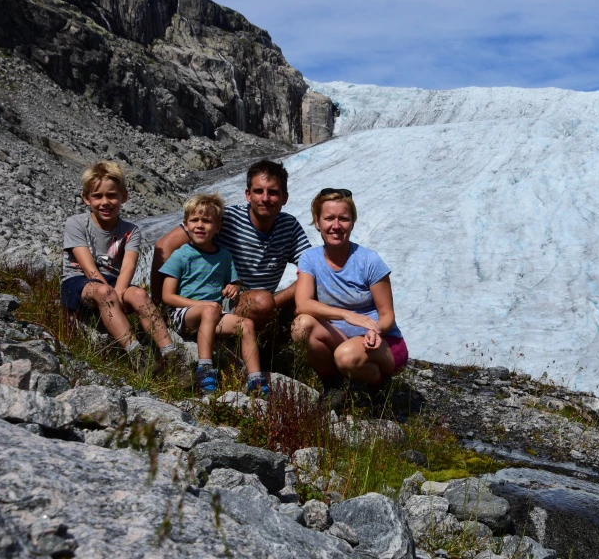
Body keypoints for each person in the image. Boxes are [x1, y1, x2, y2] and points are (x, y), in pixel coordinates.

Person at [151, 160, 310, 328]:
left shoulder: (289, 226)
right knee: (264, 302)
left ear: (284, 197)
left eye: (273, 192)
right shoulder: (227, 219)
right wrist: (158, 308)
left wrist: (274, 302)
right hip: (226, 301)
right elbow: (165, 245)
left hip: (265, 300)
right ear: (248, 195)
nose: (265, 198)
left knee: (308, 302)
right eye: (258, 191)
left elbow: (311, 269)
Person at [292, 188, 408, 409]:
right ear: (317, 222)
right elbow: (302, 304)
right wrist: (347, 315)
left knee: (345, 357)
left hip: (381, 342)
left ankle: (378, 383)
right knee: (301, 325)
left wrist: (376, 330)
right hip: (342, 338)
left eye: (343, 219)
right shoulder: (309, 259)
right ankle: (334, 385)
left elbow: (387, 315)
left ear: (352, 222)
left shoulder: (369, 260)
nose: (336, 226)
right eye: (329, 218)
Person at [61, 161, 176, 370]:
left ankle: (171, 355)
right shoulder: (75, 223)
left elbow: (128, 266)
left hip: (113, 282)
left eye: (112, 195)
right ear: (86, 198)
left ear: (124, 196)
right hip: (77, 281)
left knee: (140, 295)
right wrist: (114, 295)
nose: (105, 202)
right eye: (97, 196)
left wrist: (121, 292)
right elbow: (89, 268)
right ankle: (136, 353)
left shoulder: (131, 230)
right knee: (105, 292)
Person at [159, 193, 267, 395]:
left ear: (218, 227)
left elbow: (233, 282)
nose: (200, 225)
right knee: (209, 311)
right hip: (184, 314)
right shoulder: (181, 254)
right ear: (186, 224)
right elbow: (167, 296)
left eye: (207, 221)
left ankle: (255, 379)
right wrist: (200, 306)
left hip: (214, 314)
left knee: (247, 325)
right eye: (194, 220)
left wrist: (234, 287)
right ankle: (205, 369)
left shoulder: (224, 256)